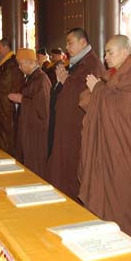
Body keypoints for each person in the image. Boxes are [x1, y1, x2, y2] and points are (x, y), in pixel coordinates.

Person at [79, 35, 131, 242]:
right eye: (105, 52)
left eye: (110, 52)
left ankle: (126, 243)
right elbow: (86, 100)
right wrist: (98, 91)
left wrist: (99, 91)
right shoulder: (112, 74)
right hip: (108, 148)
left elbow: (126, 109)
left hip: (127, 151)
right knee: (103, 199)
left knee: (123, 200)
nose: (105, 57)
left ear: (124, 52)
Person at [47, 28, 104, 200]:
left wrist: (66, 82)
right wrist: (63, 82)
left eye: (70, 43)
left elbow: (87, 94)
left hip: (77, 127)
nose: (67, 47)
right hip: (67, 125)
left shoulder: (91, 64)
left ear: (83, 43)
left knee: (73, 166)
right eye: (67, 43)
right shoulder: (77, 63)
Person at [8, 48, 51, 178]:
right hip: (28, 128)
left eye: (20, 64)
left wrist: (21, 99)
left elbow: (42, 108)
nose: (20, 68)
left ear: (28, 63)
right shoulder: (31, 78)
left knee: (35, 164)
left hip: (36, 131)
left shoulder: (41, 80)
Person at [0, 38, 24, 155]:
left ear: (5, 47)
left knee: (6, 132)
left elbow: (3, 84)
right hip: (1, 103)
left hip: (7, 104)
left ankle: (7, 155)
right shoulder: (5, 62)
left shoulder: (12, 63)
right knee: (1, 132)